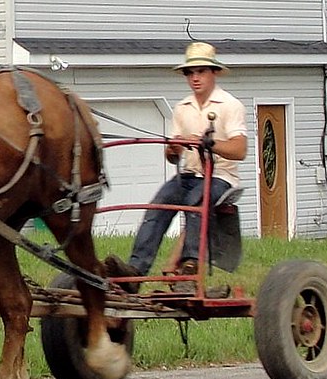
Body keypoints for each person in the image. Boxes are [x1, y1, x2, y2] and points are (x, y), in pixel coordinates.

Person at [106, 42, 247, 294]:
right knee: (158, 205)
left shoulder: (230, 105)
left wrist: (210, 143)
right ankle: (135, 270)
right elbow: (172, 157)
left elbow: (240, 150)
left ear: (213, 72)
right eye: (189, 73)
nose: (195, 78)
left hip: (221, 177)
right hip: (189, 175)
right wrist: (173, 149)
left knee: (195, 201)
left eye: (201, 71)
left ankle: (189, 269)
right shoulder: (182, 108)